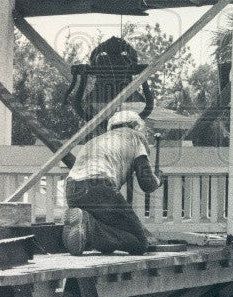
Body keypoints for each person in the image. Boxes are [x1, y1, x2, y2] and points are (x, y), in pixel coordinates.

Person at [64, 109, 161, 256]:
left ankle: (85, 224)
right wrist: (158, 179)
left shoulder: (97, 140)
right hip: (99, 188)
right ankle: (89, 228)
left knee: (110, 233)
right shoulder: (135, 138)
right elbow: (147, 184)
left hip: (72, 190)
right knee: (139, 243)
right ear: (136, 126)